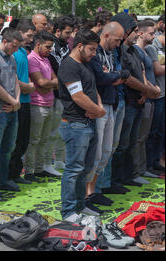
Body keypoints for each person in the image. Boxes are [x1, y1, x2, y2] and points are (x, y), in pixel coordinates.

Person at [57, 29, 106, 222]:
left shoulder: (85, 64)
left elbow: (92, 89)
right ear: (79, 46)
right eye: (91, 49)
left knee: (85, 169)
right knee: (73, 169)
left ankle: (80, 205)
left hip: (88, 122)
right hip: (75, 124)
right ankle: (69, 211)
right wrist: (99, 111)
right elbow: (77, 96)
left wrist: (98, 108)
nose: (94, 54)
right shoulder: (69, 66)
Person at [111, 14, 160, 193]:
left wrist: (146, 92)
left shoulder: (133, 51)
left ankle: (127, 176)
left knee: (131, 142)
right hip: (129, 101)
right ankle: (115, 180)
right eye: (133, 31)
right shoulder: (120, 51)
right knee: (121, 144)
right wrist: (146, 90)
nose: (136, 34)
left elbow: (141, 72)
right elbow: (127, 77)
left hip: (139, 100)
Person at [86, 22, 128, 212]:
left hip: (112, 103)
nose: (119, 44)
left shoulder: (111, 53)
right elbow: (101, 78)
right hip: (100, 106)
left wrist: (114, 75)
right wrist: (116, 75)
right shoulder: (96, 54)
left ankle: (93, 190)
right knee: (95, 153)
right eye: (117, 40)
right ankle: (87, 193)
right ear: (106, 35)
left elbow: (112, 77)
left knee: (107, 151)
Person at [0, 27, 22, 196]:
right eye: (13, 46)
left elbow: (16, 80)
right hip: (0, 109)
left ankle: (3, 179)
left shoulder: (12, 57)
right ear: (5, 41)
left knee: (8, 147)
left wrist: (16, 101)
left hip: (11, 108)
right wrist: (12, 100)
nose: (15, 50)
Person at [24, 31, 58, 181]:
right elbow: (42, 82)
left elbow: (53, 81)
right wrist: (47, 84)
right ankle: (29, 171)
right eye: (48, 47)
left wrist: (47, 84)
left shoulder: (46, 59)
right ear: (38, 44)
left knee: (44, 139)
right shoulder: (32, 59)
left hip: (49, 103)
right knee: (34, 140)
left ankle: (39, 168)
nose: (50, 50)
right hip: (36, 105)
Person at [132, 20, 162, 182]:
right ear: (141, 33)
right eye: (151, 33)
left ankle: (142, 169)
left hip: (150, 98)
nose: (154, 36)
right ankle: (136, 172)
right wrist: (149, 90)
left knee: (143, 136)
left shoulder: (145, 50)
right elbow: (139, 76)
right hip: (143, 99)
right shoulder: (137, 51)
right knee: (138, 137)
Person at [8, 19, 36, 185]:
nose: (31, 39)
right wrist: (28, 86)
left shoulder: (23, 53)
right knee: (16, 141)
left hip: (26, 100)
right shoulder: (15, 54)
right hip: (17, 101)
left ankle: (16, 174)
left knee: (24, 140)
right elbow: (14, 80)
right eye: (28, 35)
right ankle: (9, 175)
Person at [46, 16, 75, 174]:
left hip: (67, 93)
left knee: (63, 130)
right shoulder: (53, 47)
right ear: (58, 31)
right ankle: (47, 162)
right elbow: (58, 68)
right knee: (53, 131)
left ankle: (59, 160)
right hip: (56, 93)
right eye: (67, 32)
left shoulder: (65, 46)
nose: (70, 36)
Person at [145, 32, 165, 175]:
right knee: (153, 132)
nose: (152, 36)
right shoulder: (152, 47)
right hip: (156, 95)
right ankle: (148, 164)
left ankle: (155, 161)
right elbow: (157, 70)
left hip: (162, 94)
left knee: (160, 132)